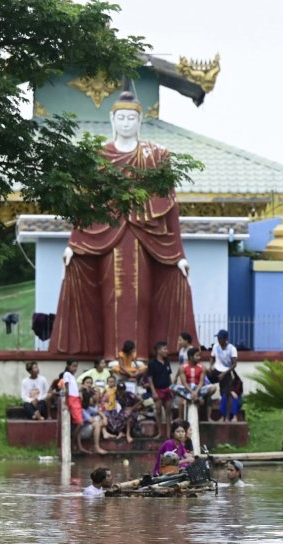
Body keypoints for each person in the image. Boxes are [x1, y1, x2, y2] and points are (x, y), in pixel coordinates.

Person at [51, 90, 198, 357]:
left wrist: (178, 255)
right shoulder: (98, 156)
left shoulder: (156, 156)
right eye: (121, 118)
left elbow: (170, 208)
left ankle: (140, 356)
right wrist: (73, 243)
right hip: (107, 237)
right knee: (111, 296)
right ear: (112, 119)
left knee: (141, 296)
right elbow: (87, 204)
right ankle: (112, 356)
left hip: (144, 239)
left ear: (140, 121)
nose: (126, 123)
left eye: (131, 118)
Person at [174, 346, 216, 422]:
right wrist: (192, 392)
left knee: (213, 388)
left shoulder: (202, 367)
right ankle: (181, 416)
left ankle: (198, 398)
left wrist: (195, 392)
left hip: (198, 389)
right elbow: (184, 383)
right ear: (190, 357)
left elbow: (201, 382)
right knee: (172, 388)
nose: (199, 357)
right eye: (197, 356)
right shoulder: (183, 367)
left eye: (199, 355)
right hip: (187, 389)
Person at [210, 329, 240, 422]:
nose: (218, 340)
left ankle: (226, 417)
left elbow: (234, 364)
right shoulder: (216, 346)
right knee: (205, 374)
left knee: (226, 395)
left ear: (226, 339)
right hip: (217, 370)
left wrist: (224, 373)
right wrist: (210, 366)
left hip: (227, 372)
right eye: (218, 338)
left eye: (220, 338)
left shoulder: (232, 349)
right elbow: (212, 357)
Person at [146, 341, 174, 439]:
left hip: (167, 389)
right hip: (157, 389)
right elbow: (150, 378)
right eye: (165, 349)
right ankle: (159, 433)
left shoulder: (167, 361)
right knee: (158, 412)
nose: (167, 351)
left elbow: (169, 375)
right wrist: (153, 391)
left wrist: (172, 388)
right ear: (158, 350)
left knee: (168, 412)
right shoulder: (152, 363)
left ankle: (169, 433)